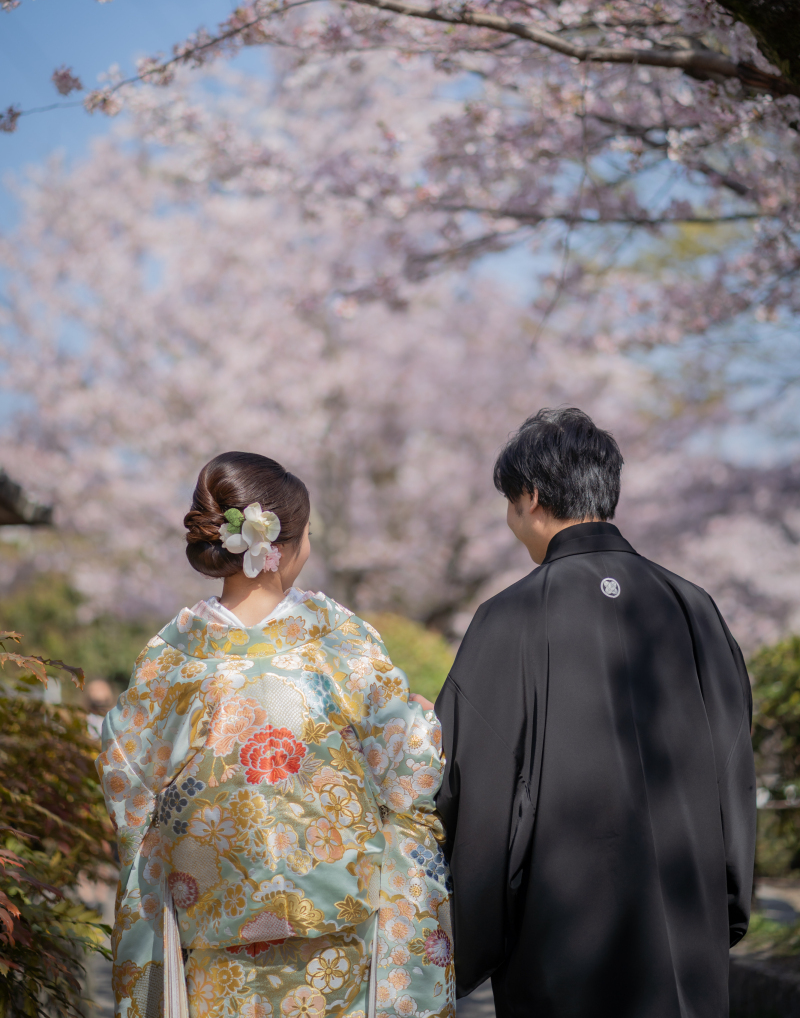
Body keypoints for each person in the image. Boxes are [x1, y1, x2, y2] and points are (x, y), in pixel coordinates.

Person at [97, 451, 453, 1018]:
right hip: (335, 929)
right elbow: (406, 770)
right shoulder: (340, 641)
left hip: (213, 928)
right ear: (280, 545)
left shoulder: (174, 654)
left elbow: (126, 774)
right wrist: (421, 721)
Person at [435, 408, 756, 1018]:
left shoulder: (509, 618)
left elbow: (471, 784)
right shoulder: (695, 609)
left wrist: (466, 936)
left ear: (529, 497)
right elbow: (733, 767)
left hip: (559, 941)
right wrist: (726, 905)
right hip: (685, 935)